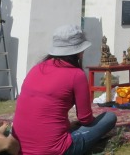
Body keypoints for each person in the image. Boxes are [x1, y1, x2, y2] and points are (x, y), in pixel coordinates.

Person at [12, 25, 117, 155]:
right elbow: (85, 118)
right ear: (79, 51)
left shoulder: (36, 68)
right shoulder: (76, 75)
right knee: (109, 117)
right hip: (55, 150)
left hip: (19, 147)